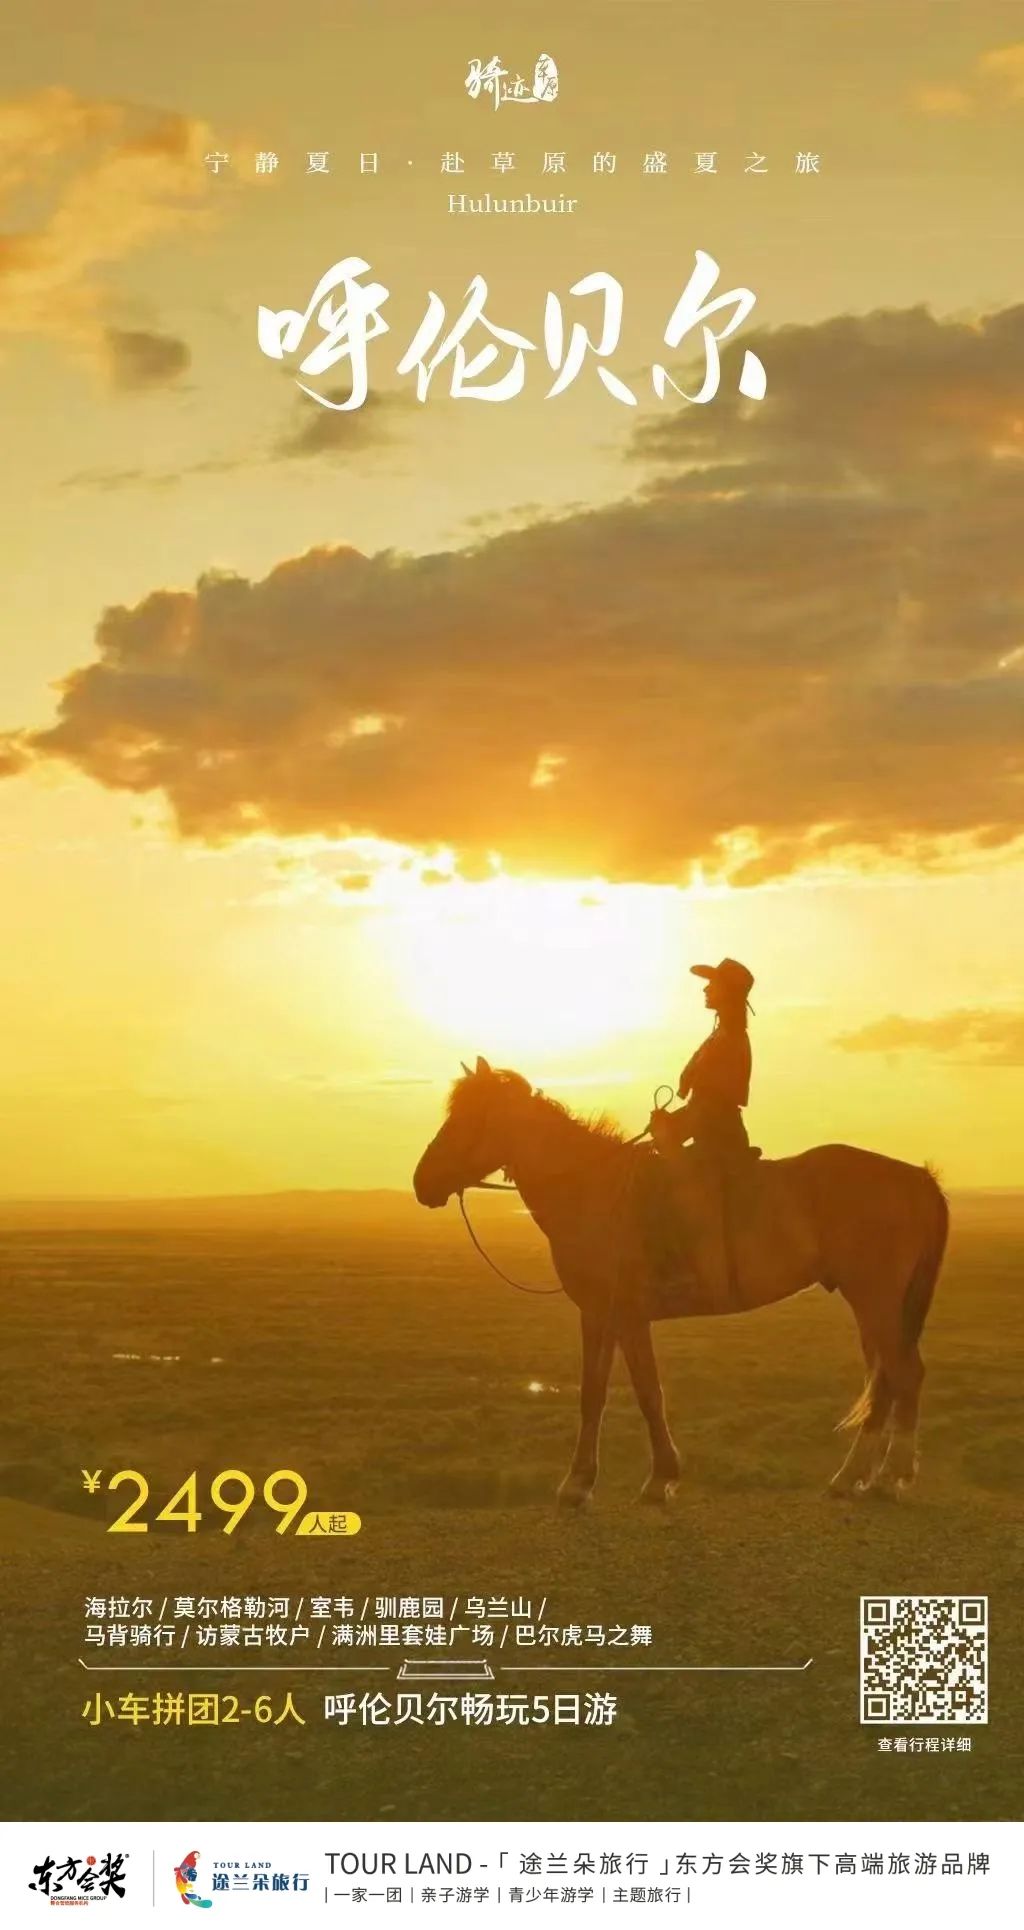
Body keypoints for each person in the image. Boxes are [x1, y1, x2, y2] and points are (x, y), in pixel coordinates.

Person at [651, 958, 755, 1167]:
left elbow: (713, 1106)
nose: (706, 989)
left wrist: (671, 1127)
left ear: (727, 991)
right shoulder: (722, 1035)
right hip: (712, 1133)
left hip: (717, 1141)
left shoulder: (730, 1038)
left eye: (713, 983)